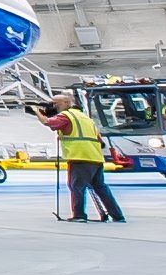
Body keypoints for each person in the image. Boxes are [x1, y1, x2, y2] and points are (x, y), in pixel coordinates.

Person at [31, 92, 125, 223]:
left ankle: (79, 215)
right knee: (100, 187)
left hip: (80, 156)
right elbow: (101, 141)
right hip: (95, 157)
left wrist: (37, 112)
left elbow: (47, 122)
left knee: (76, 186)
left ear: (65, 103)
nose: (53, 106)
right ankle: (117, 216)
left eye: (55, 104)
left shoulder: (66, 116)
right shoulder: (85, 118)